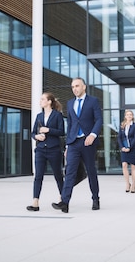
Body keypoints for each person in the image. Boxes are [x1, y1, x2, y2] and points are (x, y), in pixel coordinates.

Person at [52, 77, 103, 213]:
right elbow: (70, 124)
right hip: (74, 142)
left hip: (88, 142)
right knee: (69, 172)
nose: (75, 89)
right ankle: (65, 202)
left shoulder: (93, 101)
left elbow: (98, 120)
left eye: (77, 86)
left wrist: (93, 135)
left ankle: (95, 198)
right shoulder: (69, 103)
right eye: (73, 87)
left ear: (84, 87)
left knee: (91, 171)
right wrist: (68, 145)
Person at [27, 92, 65, 211]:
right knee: (38, 176)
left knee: (58, 175)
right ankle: (35, 202)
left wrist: (48, 130)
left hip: (54, 150)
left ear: (49, 101)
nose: (40, 101)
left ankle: (63, 199)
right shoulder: (38, 116)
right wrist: (36, 137)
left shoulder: (58, 115)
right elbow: (33, 132)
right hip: (40, 150)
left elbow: (61, 132)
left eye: (43, 99)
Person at [118, 110, 135, 193]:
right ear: (125, 116)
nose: (129, 116)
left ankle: (133, 185)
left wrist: (129, 147)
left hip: (132, 148)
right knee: (124, 165)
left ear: (132, 116)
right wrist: (122, 147)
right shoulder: (122, 125)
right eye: (127, 115)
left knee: (133, 166)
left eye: (130, 115)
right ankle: (127, 184)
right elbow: (119, 137)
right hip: (124, 148)